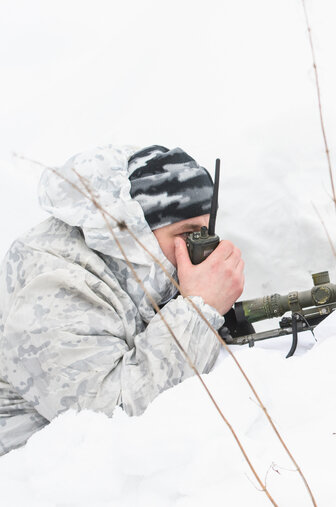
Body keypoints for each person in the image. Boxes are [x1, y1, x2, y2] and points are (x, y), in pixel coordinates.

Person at [0, 145, 245, 455]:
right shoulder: (54, 287)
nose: (202, 250)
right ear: (139, 232)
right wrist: (198, 309)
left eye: (206, 233)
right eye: (188, 234)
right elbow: (112, 419)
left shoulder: (134, 267)